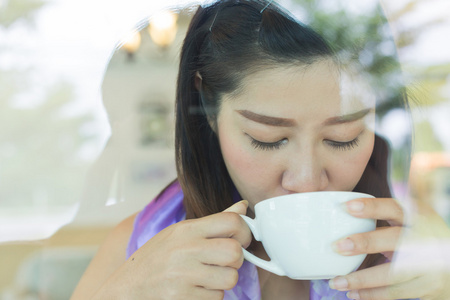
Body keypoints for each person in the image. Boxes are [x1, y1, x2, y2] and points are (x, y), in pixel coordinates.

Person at [71, 0, 450, 299]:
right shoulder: (140, 247)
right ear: (208, 106)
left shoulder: (418, 245)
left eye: (343, 137)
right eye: (268, 139)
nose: (305, 181)